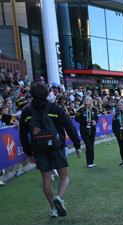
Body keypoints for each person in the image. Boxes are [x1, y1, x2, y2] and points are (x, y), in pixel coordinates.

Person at [18, 82, 82, 217]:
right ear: (47, 93)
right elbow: (69, 127)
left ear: (32, 94)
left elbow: (23, 135)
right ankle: (59, 197)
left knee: (46, 179)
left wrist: (29, 153)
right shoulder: (55, 108)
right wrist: (77, 146)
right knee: (64, 176)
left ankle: (53, 209)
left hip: (38, 149)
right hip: (57, 146)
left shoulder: (26, 111)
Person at [75, 95, 99, 167]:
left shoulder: (94, 110)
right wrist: (84, 121)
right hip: (84, 129)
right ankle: (89, 163)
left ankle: (91, 161)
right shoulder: (81, 110)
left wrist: (95, 121)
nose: (86, 101)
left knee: (91, 145)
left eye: (87, 100)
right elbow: (77, 118)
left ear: (91, 101)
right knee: (88, 145)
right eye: (85, 100)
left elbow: (97, 118)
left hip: (92, 129)